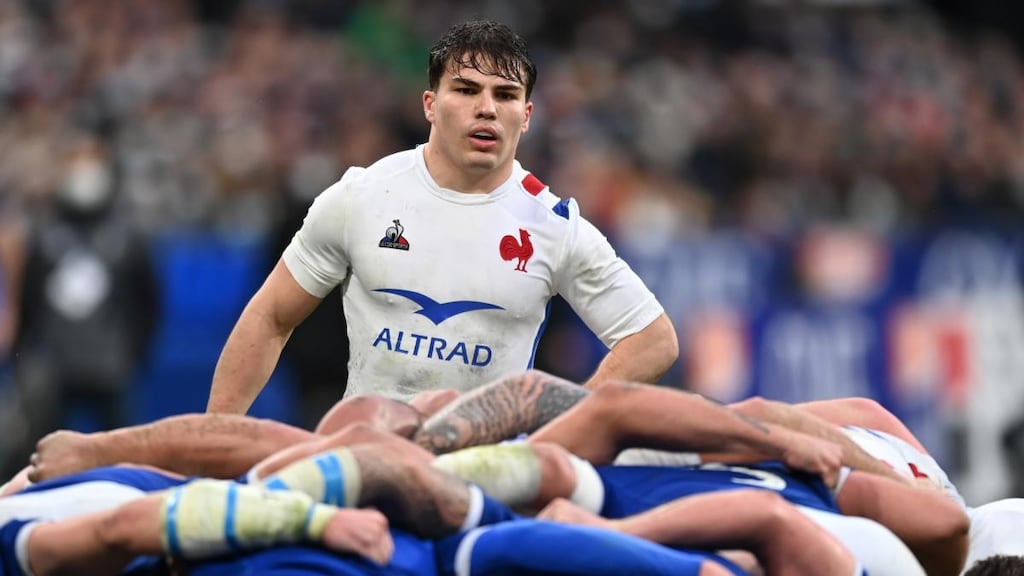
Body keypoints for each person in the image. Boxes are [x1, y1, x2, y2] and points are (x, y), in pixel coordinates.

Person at [206, 19, 677, 414]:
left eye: (506, 95)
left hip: (488, 472)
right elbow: (270, 317)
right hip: (369, 455)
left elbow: (653, 340)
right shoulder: (361, 196)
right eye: (467, 90)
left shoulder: (554, 226)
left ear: (527, 115)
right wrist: (216, 435)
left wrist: (567, 425)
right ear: (430, 104)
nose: (487, 108)